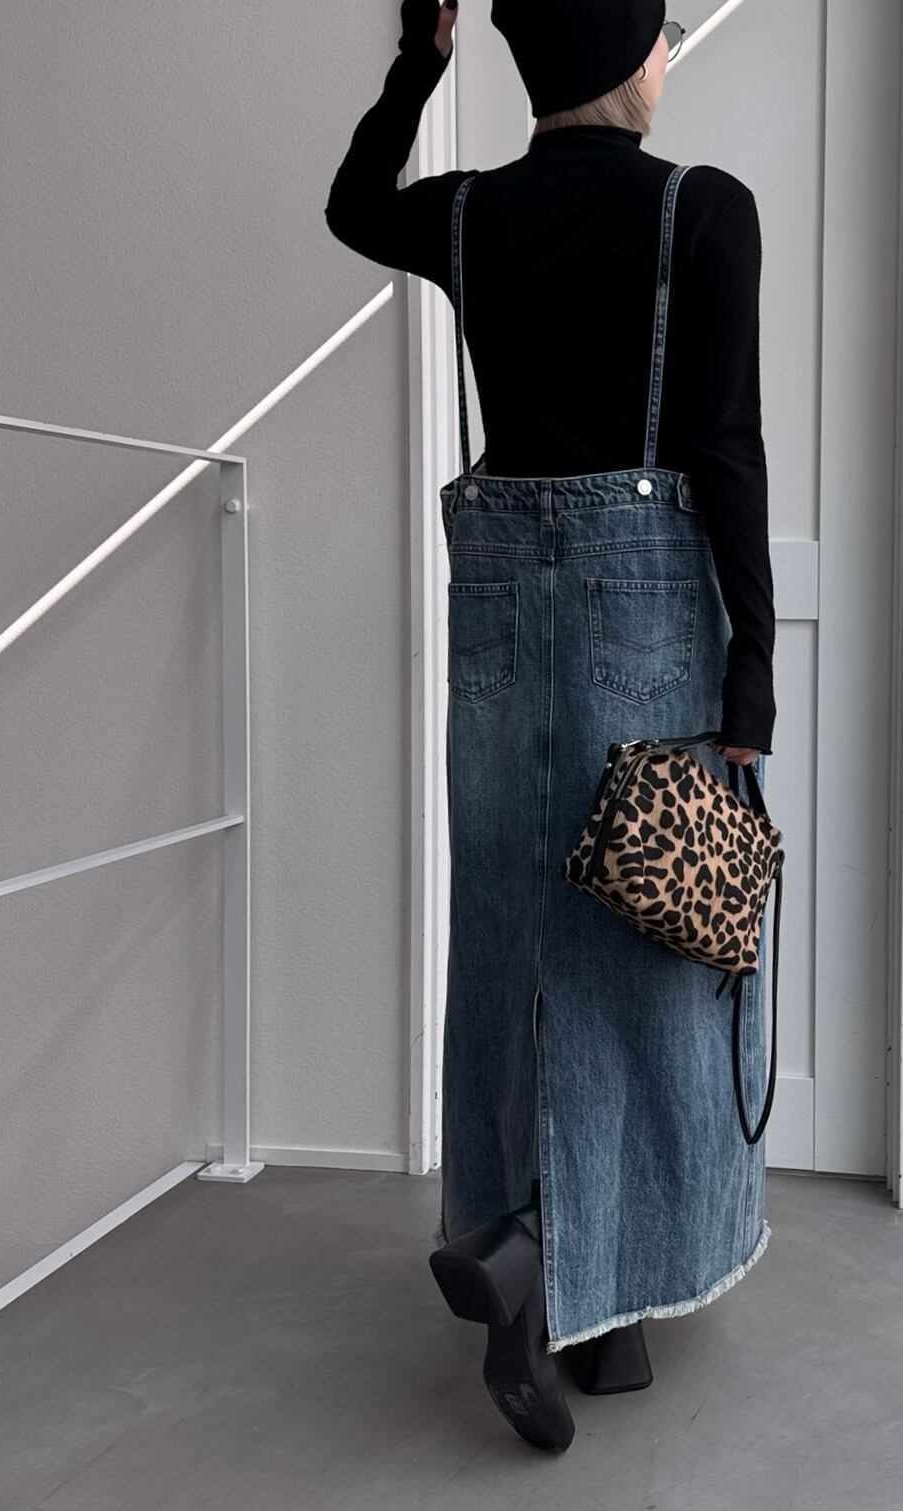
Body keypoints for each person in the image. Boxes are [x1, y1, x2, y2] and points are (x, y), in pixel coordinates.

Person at [325, 0, 777, 1454]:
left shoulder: (469, 218)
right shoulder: (704, 212)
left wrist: (419, 66)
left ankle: (532, 1257)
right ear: (626, 58)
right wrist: (753, 667)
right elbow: (725, 451)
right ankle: (582, 1286)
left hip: (504, 621)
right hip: (648, 622)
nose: (668, 58)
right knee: (644, 941)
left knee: (515, 935)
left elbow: (352, 207)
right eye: (659, 35)